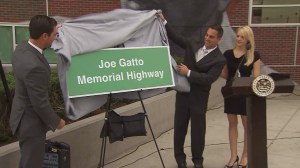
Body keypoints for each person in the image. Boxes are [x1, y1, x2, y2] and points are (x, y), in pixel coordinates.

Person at [158, 12, 226, 168]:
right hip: (183, 96)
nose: (207, 38)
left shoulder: (219, 59)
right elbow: (176, 37)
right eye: (207, 35)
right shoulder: (193, 44)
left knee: (198, 132)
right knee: (180, 128)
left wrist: (188, 72)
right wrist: (164, 21)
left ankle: (197, 161)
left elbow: (209, 79)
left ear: (218, 39)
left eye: (211, 37)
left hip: (199, 98)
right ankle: (180, 159)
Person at [9, 15, 65, 168]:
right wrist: (56, 121)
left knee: (28, 161)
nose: (56, 38)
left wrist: (53, 27)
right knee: (31, 164)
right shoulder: (35, 67)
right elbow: (39, 102)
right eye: (54, 34)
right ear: (44, 36)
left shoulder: (21, 48)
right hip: (31, 124)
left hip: (20, 114)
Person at [220, 26, 261, 168]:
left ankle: (245, 155)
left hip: (245, 94)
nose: (238, 39)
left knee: (246, 126)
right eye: (237, 36)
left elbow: (256, 77)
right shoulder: (227, 54)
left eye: (242, 37)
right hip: (231, 93)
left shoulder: (254, 56)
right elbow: (225, 74)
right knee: (232, 124)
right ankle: (233, 156)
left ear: (248, 39)